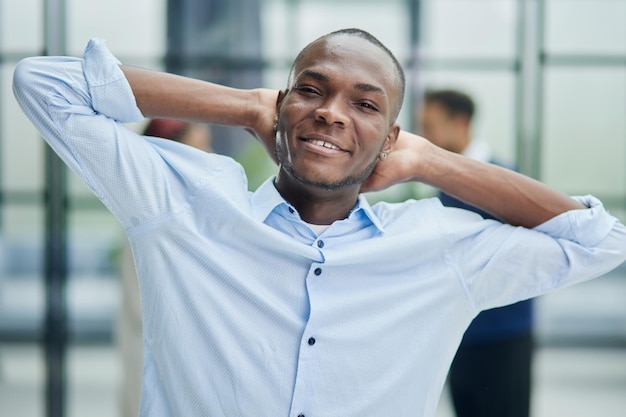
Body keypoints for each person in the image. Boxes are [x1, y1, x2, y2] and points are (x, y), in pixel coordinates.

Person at [12, 28, 626, 417]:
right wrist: (247, 105)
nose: (332, 114)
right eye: (311, 90)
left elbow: (602, 240)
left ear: (389, 137)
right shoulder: (185, 206)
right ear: (284, 105)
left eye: (364, 104)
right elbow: (43, 84)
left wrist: (430, 160)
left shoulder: (436, 245)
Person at [419, 89, 533, 417]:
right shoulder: (445, 186)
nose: (425, 136)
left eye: (431, 125)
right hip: (460, 332)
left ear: (461, 123)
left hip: (501, 333)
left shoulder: (504, 179)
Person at [116, 118, 212, 417]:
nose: (210, 157)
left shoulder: (196, 210)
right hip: (158, 348)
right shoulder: (150, 214)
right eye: (200, 149)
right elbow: (144, 303)